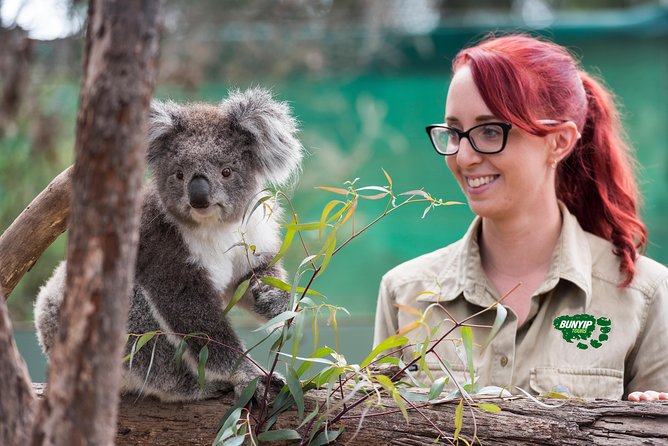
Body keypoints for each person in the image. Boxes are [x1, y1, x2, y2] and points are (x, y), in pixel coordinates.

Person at [373, 34, 668, 401]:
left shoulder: (645, 294)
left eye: (491, 130)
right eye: (454, 132)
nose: (464, 157)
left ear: (559, 141)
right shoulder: (406, 293)